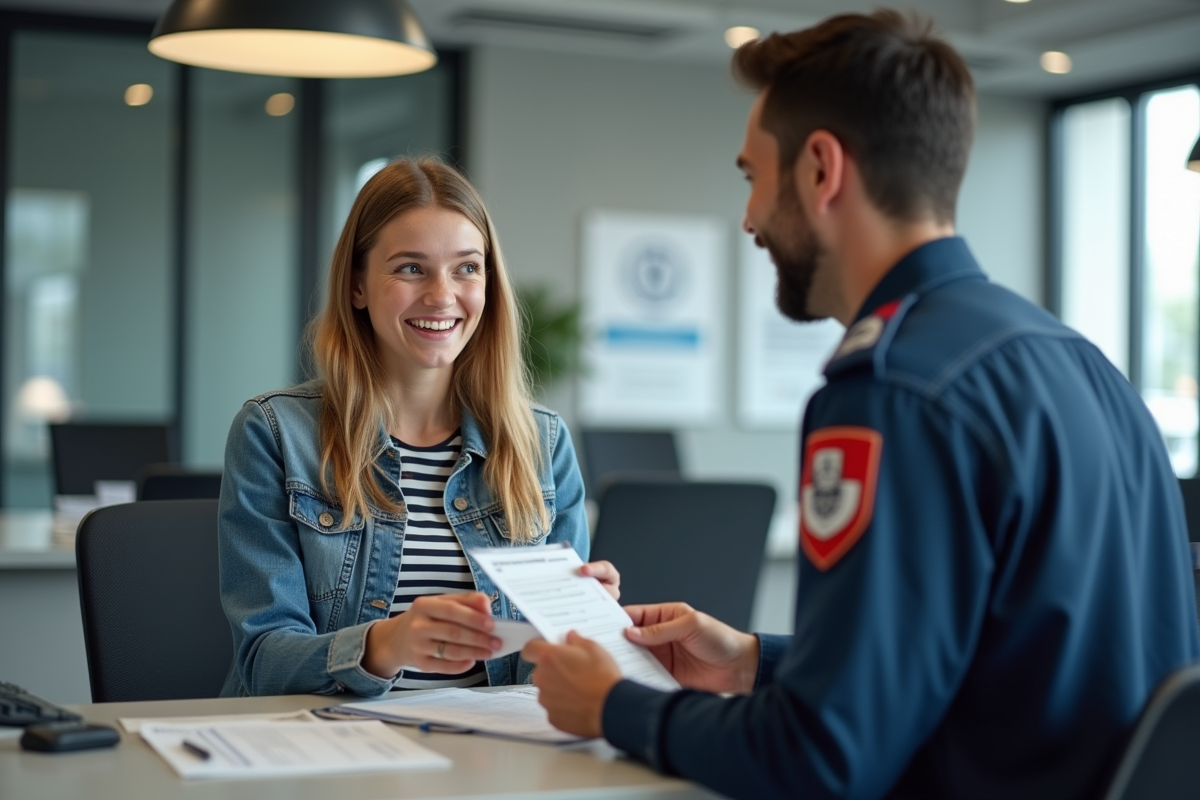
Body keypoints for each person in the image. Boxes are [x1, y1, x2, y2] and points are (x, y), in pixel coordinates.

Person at [523, 11, 1200, 799]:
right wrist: (753, 661)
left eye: (752, 177)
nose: (748, 219)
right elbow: (993, 673)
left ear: (820, 169)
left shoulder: (890, 391)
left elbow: (819, 760)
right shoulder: (1082, 365)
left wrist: (614, 707)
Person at [218, 157, 615, 697]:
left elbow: (544, 671)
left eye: (466, 268)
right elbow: (264, 662)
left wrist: (582, 626)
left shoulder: (541, 444)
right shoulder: (275, 433)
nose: (441, 295)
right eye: (410, 268)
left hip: (489, 755)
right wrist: (386, 644)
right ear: (357, 285)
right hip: (329, 750)